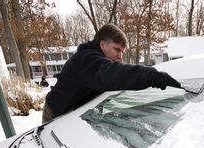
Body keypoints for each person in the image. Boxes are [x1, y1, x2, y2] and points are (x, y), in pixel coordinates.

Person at [42, 23, 180, 123]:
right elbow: (112, 73)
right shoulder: (88, 59)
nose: (120, 56)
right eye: (117, 49)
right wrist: (149, 75)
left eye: (122, 51)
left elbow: (119, 74)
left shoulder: (94, 58)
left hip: (73, 110)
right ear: (102, 44)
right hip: (56, 113)